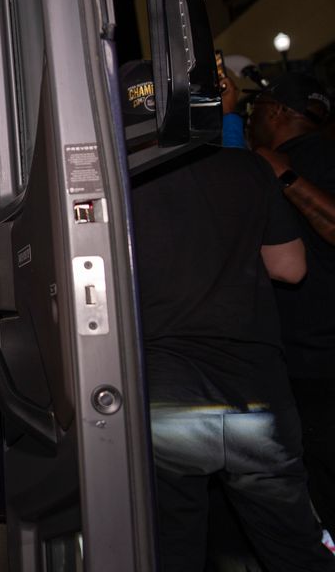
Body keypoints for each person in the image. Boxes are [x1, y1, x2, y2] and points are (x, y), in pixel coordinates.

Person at [121, 60, 335, 571]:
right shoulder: (247, 168)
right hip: (255, 393)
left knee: (176, 549)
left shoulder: (118, 180)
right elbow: (290, 267)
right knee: (294, 549)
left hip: (166, 396)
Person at [246, 71, 335, 540]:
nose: (250, 118)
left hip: (319, 359)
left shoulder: (302, 161)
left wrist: (283, 175)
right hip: (299, 358)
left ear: (279, 111)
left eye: (255, 108)